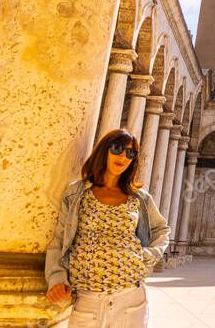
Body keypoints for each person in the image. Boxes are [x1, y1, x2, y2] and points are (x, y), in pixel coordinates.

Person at [45, 128, 170, 327]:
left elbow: (161, 231)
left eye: (130, 153)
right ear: (105, 150)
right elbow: (59, 240)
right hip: (87, 298)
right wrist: (56, 279)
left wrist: (144, 258)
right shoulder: (77, 192)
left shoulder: (139, 198)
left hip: (130, 298)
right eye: (118, 148)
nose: (123, 156)